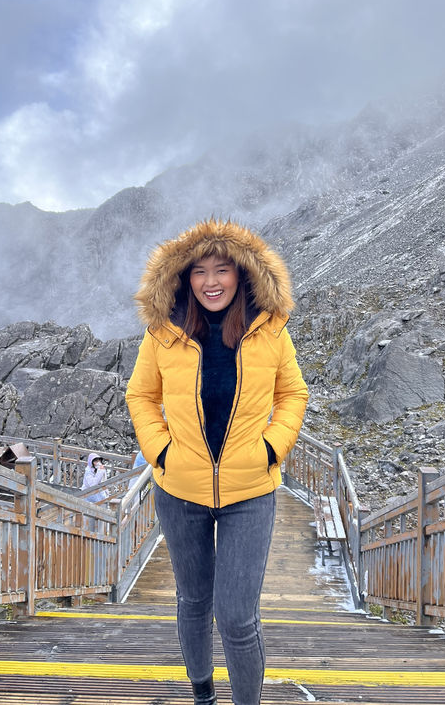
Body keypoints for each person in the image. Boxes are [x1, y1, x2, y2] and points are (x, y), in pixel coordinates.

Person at [126, 219, 308, 705]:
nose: (211, 282)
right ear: (183, 277)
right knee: (192, 601)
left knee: (236, 617)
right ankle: (202, 694)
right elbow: (141, 395)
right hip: (178, 492)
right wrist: (161, 451)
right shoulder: (163, 331)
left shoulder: (269, 328)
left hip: (250, 493)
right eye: (199, 271)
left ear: (241, 273)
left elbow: (293, 393)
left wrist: (271, 448)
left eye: (221, 269)